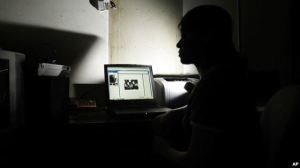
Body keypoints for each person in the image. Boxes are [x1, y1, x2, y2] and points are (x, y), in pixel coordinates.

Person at [152, 5, 262, 168]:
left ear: (207, 37)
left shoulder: (213, 86)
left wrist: (161, 148)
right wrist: (174, 114)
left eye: (184, 36)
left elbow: (195, 163)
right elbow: (213, 113)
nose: (178, 44)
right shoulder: (230, 75)